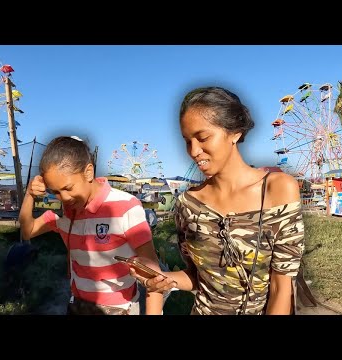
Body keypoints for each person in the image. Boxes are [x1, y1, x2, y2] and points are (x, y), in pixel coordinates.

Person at [130, 86, 305, 315]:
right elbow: (198, 278)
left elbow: (281, 288)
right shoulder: (187, 204)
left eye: (202, 138)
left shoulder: (277, 190)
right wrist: (166, 279)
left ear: (235, 133)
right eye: (187, 141)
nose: (194, 151)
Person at [19, 136, 163, 315]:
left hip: (119, 309)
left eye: (68, 188)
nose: (64, 198)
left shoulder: (125, 206)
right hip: (77, 305)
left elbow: (153, 273)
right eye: (55, 191)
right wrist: (29, 195)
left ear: (88, 172)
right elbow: (27, 231)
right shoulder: (65, 214)